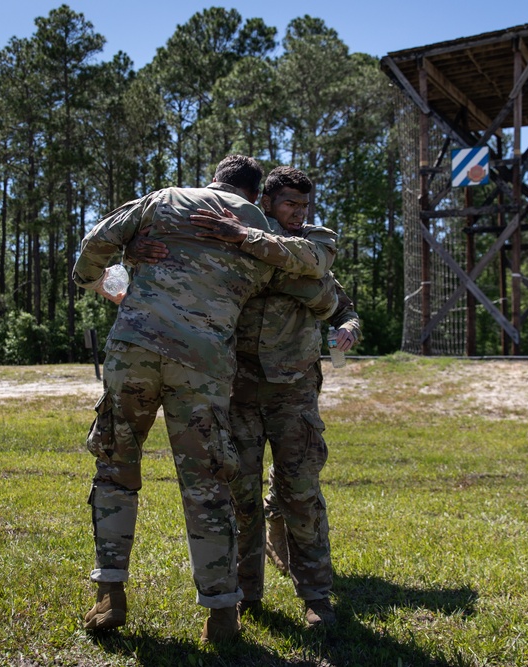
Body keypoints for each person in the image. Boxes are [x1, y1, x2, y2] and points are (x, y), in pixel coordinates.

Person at [73, 155, 339, 643]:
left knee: (114, 470)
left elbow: (93, 246)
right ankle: (221, 614)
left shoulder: (165, 200)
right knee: (207, 486)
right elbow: (308, 285)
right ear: (257, 195)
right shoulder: (255, 225)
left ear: (214, 181)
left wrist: (115, 269)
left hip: (135, 349)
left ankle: (109, 594)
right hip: (203, 366)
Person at [128, 165, 360, 628]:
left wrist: (344, 321)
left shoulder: (311, 236)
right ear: (266, 202)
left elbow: (323, 281)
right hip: (237, 388)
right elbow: (181, 266)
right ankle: (245, 593)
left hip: (294, 389)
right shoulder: (229, 231)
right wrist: (134, 250)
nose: (299, 213)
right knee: (242, 495)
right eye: (289, 204)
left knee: (301, 492)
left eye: (304, 205)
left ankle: (316, 596)